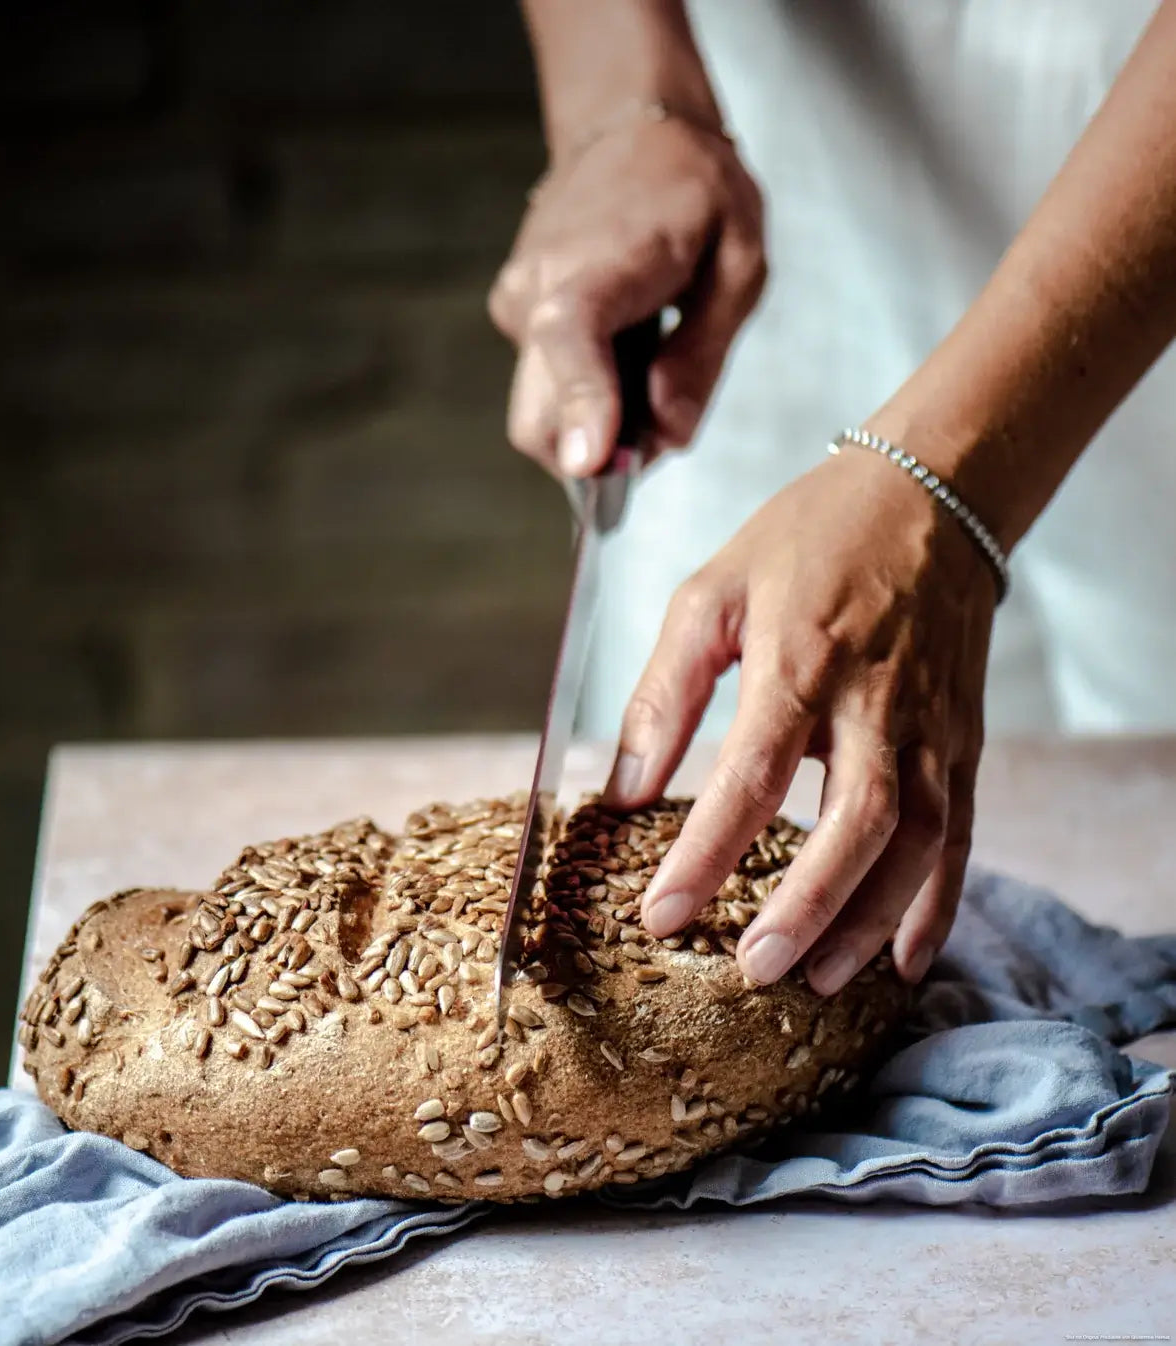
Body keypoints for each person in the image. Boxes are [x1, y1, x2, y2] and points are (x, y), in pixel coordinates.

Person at [489, 0, 1176, 999]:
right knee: (747, 800)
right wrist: (624, 105)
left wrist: (945, 477)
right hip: (783, 200)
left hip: (1136, 213)